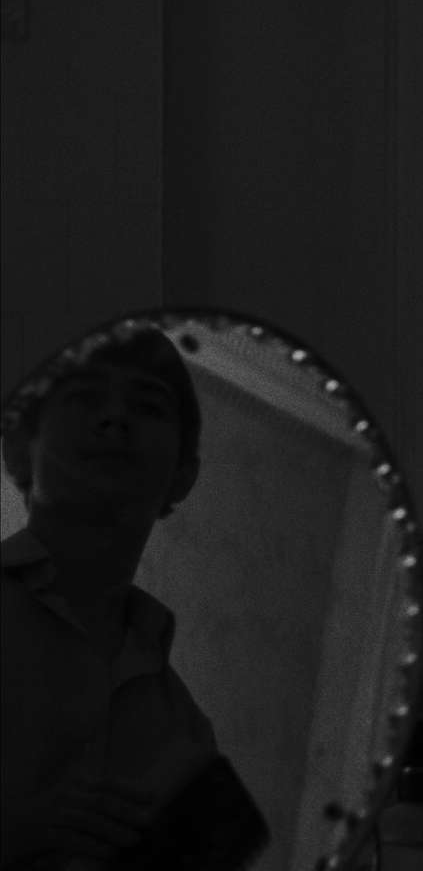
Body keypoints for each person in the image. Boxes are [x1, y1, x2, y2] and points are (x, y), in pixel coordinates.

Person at [0, 327, 218, 869]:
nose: (116, 418)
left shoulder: (188, 735)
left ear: (183, 476)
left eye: (148, 406)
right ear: (19, 450)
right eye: (84, 397)